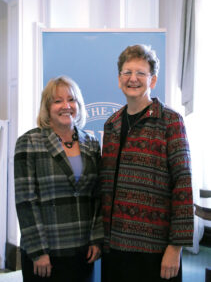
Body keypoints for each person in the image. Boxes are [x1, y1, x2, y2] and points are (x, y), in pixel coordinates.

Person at [100, 44, 193, 282]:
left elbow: (183, 185)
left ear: (152, 80)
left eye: (141, 73)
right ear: (119, 79)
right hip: (115, 247)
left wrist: (175, 248)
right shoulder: (111, 125)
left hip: (156, 249)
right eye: (127, 72)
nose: (133, 79)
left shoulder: (170, 121)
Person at [14, 76, 103, 282]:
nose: (66, 106)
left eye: (71, 100)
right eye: (58, 101)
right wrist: (38, 251)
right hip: (46, 254)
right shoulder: (29, 142)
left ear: (78, 105)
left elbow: (97, 196)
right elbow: (26, 201)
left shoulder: (91, 143)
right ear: (47, 107)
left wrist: (96, 239)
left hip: (82, 253)